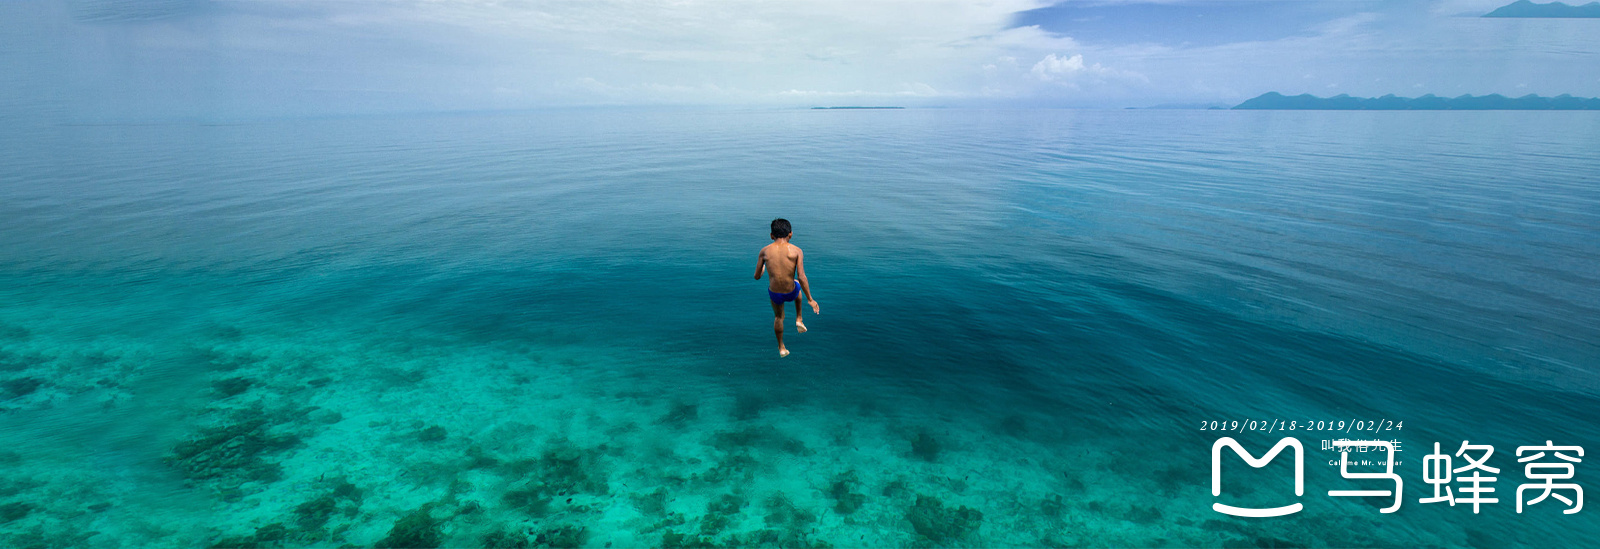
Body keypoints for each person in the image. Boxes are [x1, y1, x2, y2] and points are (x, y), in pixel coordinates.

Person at [754, 218, 819, 357]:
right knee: (797, 285)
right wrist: (811, 300)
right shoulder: (796, 251)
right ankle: (799, 319)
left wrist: (763, 270)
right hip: (791, 291)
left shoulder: (764, 251)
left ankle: (781, 347)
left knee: (778, 317)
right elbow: (802, 277)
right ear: (791, 234)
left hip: (775, 294)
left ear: (771, 235)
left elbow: (757, 276)